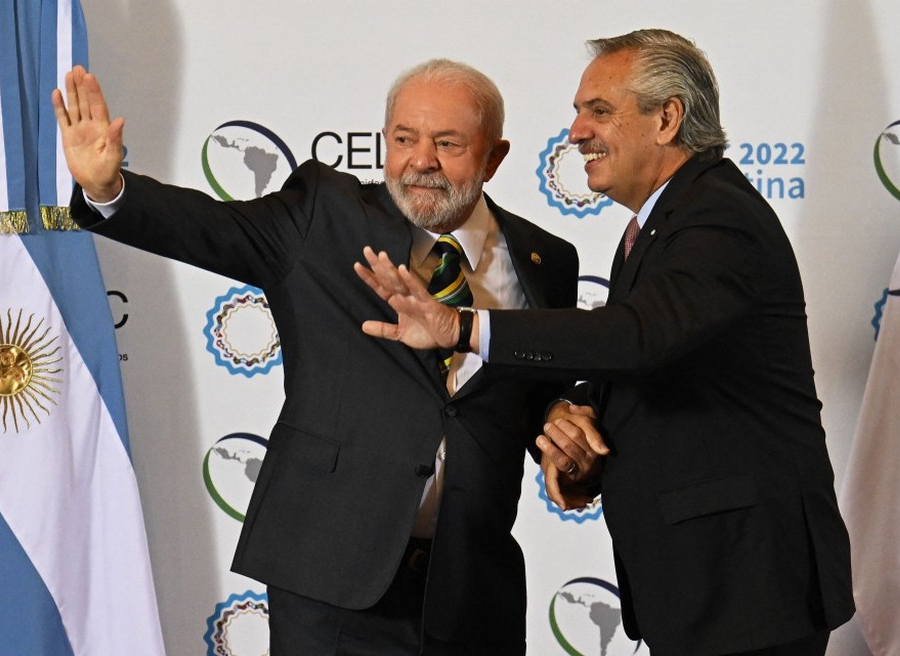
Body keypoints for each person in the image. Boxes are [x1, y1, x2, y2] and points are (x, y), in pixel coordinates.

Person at [52, 59, 581, 655]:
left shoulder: (547, 260)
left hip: (472, 591)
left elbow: (542, 396)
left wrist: (567, 434)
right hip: (331, 581)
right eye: (404, 139)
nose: (421, 160)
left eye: (448, 143)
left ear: (495, 157)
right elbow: (208, 227)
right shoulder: (324, 214)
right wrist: (109, 189)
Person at [355, 29, 856, 656]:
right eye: (576, 111)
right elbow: (656, 354)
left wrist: (461, 326)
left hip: (746, 581)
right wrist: (576, 422)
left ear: (667, 118)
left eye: (599, 111)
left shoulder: (718, 217)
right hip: (705, 582)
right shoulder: (658, 224)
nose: (575, 132)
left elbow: (636, 334)